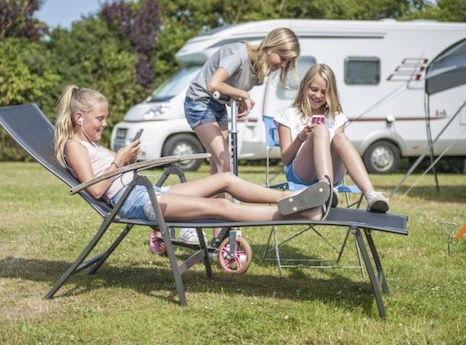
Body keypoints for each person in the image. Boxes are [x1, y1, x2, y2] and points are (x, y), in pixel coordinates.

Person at [54, 85, 329, 227]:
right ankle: (299, 215)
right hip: (138, 202)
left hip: (149, 191)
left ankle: (290, 199)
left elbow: (110, 178)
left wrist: (127, 160)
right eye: (99, 119)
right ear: (79, 118)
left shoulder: (90, 144)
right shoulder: (74, 146)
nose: (103, 124)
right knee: (222, 209)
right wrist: (119, 159)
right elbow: (96, 189)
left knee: (225, 178)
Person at [180, 27, 301, 242]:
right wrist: (243, 94)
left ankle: (219, 232)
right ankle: (185, 222)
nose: (282, 65)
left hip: (217, 107)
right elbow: (213, 84)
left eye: (287, 62)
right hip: (199, 102)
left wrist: (240, 100)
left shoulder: (258, 72)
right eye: (282, 58)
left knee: (224, 169)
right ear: (270, 47)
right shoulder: (238, 55)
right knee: (224, 161)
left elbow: (228, 90)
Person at [274, 63, 390, 213]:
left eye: (324, 92)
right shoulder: (289, 114)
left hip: (333, 173)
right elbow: (286, 159)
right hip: (301, 173)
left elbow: (339, 150)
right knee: (320, 130)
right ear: (304, 87)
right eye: (314, 89)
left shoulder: (336, 117)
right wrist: (301, 138)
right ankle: (325, 189)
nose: (318, 96)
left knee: (339, 137)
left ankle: (370, 194)